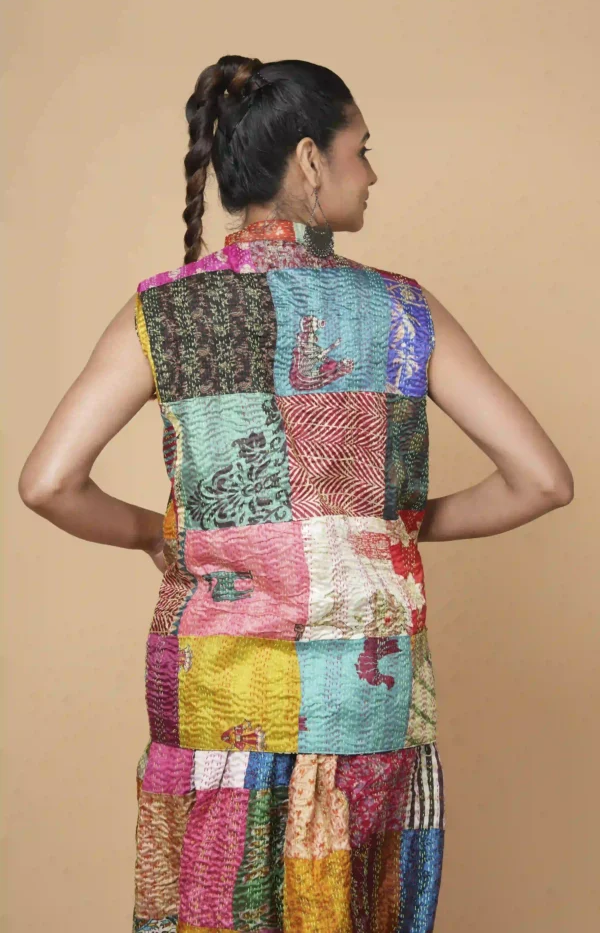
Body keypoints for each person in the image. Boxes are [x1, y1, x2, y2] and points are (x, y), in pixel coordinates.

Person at [18, 55, 574, 933]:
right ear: (312, 159)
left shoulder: (163, 312)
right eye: (363, 149)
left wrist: (155, 535)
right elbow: (542, 480)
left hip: (211, 698)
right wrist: (388, 525)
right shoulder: (403, 310)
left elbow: (47, 483)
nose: (372, 173)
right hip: (366, 707)